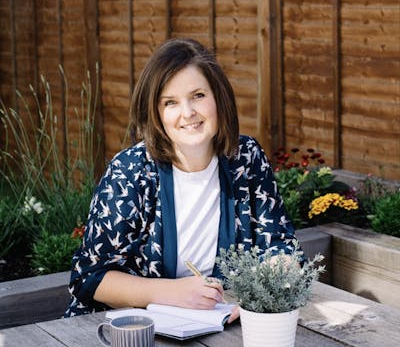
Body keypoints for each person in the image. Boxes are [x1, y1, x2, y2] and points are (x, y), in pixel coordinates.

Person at [64, 38, 300, 320]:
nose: (188, 113)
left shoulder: (245, 157)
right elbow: (89, 278)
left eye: (198, 95)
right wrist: (172, 292)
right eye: (171, 102)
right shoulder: (130, 171)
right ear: (156, 113)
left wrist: (264, 292)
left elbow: (279, 245)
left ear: (218, 97)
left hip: (220, 326)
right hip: (121, 334)